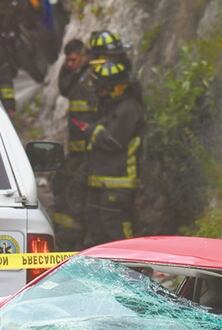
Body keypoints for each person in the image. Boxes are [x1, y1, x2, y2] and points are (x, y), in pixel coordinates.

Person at [82, 58, 144, 247]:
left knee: (117, 232)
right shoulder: (112, 108)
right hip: (102, 183)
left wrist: (90, 130)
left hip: (118, 184)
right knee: (98, 232)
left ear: (115, 88)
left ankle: (133, 271)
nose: (100, 93)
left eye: (102, 88)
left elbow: (113, 140)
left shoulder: (129, 109)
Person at [51, 38, 95, 249]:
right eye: (67, 61)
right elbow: (64, 88)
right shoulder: (77, 76)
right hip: (77, 151)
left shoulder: (92, 78)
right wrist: (72, 68)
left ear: (85, 56)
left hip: (91, 151)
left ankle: (74, 241)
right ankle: (65, 241)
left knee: (77, 194)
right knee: (62, 185)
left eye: (74, 60)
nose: (70, 65)